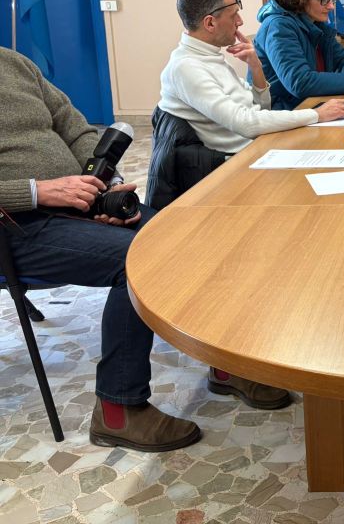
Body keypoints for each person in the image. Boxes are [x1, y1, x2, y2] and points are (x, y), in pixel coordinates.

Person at [0, 48, 292, 452]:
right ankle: (118, 410)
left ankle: (225, 364)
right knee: (138, 260)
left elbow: (76, 128)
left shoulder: (12, 62)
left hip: (77, 202)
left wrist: (103, 182)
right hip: (15, 225)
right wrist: (37, 191)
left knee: (194, 233)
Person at [159, 0, 344, 154]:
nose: (240, 21)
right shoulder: (185, 68)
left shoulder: (210, 56)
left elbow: (260, 108)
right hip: (243, 159)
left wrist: (256, 67)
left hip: (261, 145)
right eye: (234, 15)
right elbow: (246, 124)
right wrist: (317, 114)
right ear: (210, 23)